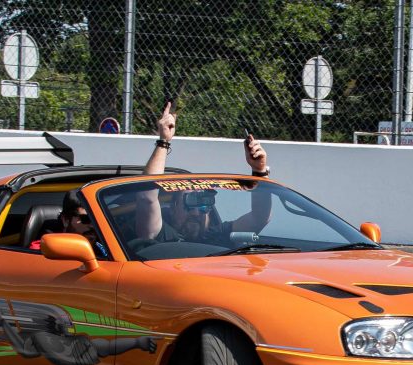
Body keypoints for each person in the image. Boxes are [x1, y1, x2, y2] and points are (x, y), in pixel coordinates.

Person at [136, 102, 272, 244]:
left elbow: (260, 217)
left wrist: (259, 170)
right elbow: (146, 196)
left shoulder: (216, 235)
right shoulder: (160, 236)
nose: (196, 213)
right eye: (190, 202)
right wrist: (163, 142)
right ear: (173, 208)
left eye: (203, 204)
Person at [0, 308, 156, 365]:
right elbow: (25, 351)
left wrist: (64, 327)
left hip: (72, 346)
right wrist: (3, 324)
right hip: (69, 356)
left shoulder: (46, 334)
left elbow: (65, 332)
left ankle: (138, 342)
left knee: (100, 345)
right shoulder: (35, 338)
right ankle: (137, 342)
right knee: (100, 346)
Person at [29, 189, 109, 258]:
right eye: (86, 219)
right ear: (66, 220)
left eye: (97, 219)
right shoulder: (42, 251)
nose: (93, 225)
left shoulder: (105, 248)